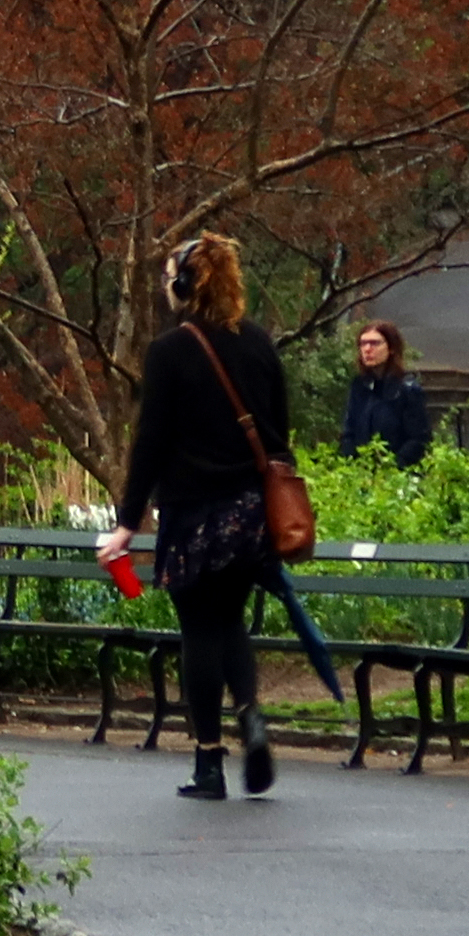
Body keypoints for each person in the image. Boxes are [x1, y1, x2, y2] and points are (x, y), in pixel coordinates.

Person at [111, 233, 295, 804]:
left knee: (197, 630)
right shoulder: (260, 345)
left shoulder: (170, 351)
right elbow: (279, 433)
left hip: (192, 513)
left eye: (171, 277)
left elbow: (150, 443)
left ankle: (210, 763)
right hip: (248, 515)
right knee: (230, 620)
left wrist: (126, 521)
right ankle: (252, 716)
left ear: (187, 286)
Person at [337, 317, 435, 473]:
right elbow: (349, 432)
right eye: (363, 343)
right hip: (361, 474)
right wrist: (351, 465)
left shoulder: (407, 389)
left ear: (391, 348)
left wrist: (392, 467)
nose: (367, 349)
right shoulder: (360, 386)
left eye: (374, 343)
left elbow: (419, 439)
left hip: (397, 476)